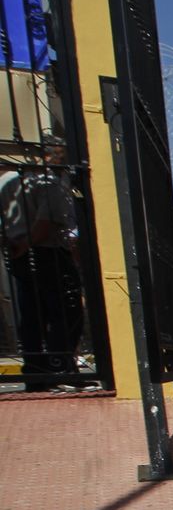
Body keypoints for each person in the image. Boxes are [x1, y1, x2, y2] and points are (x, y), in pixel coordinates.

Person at [0, 149, 83, 387]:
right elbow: (47, 222)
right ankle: (60, 369)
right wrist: (27, 244)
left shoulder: (8, 182)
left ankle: (35, 371)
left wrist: (14, 245)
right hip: (47, 252)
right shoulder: (48, 182)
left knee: (32, 314)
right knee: (66, 312)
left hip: (18, 254)